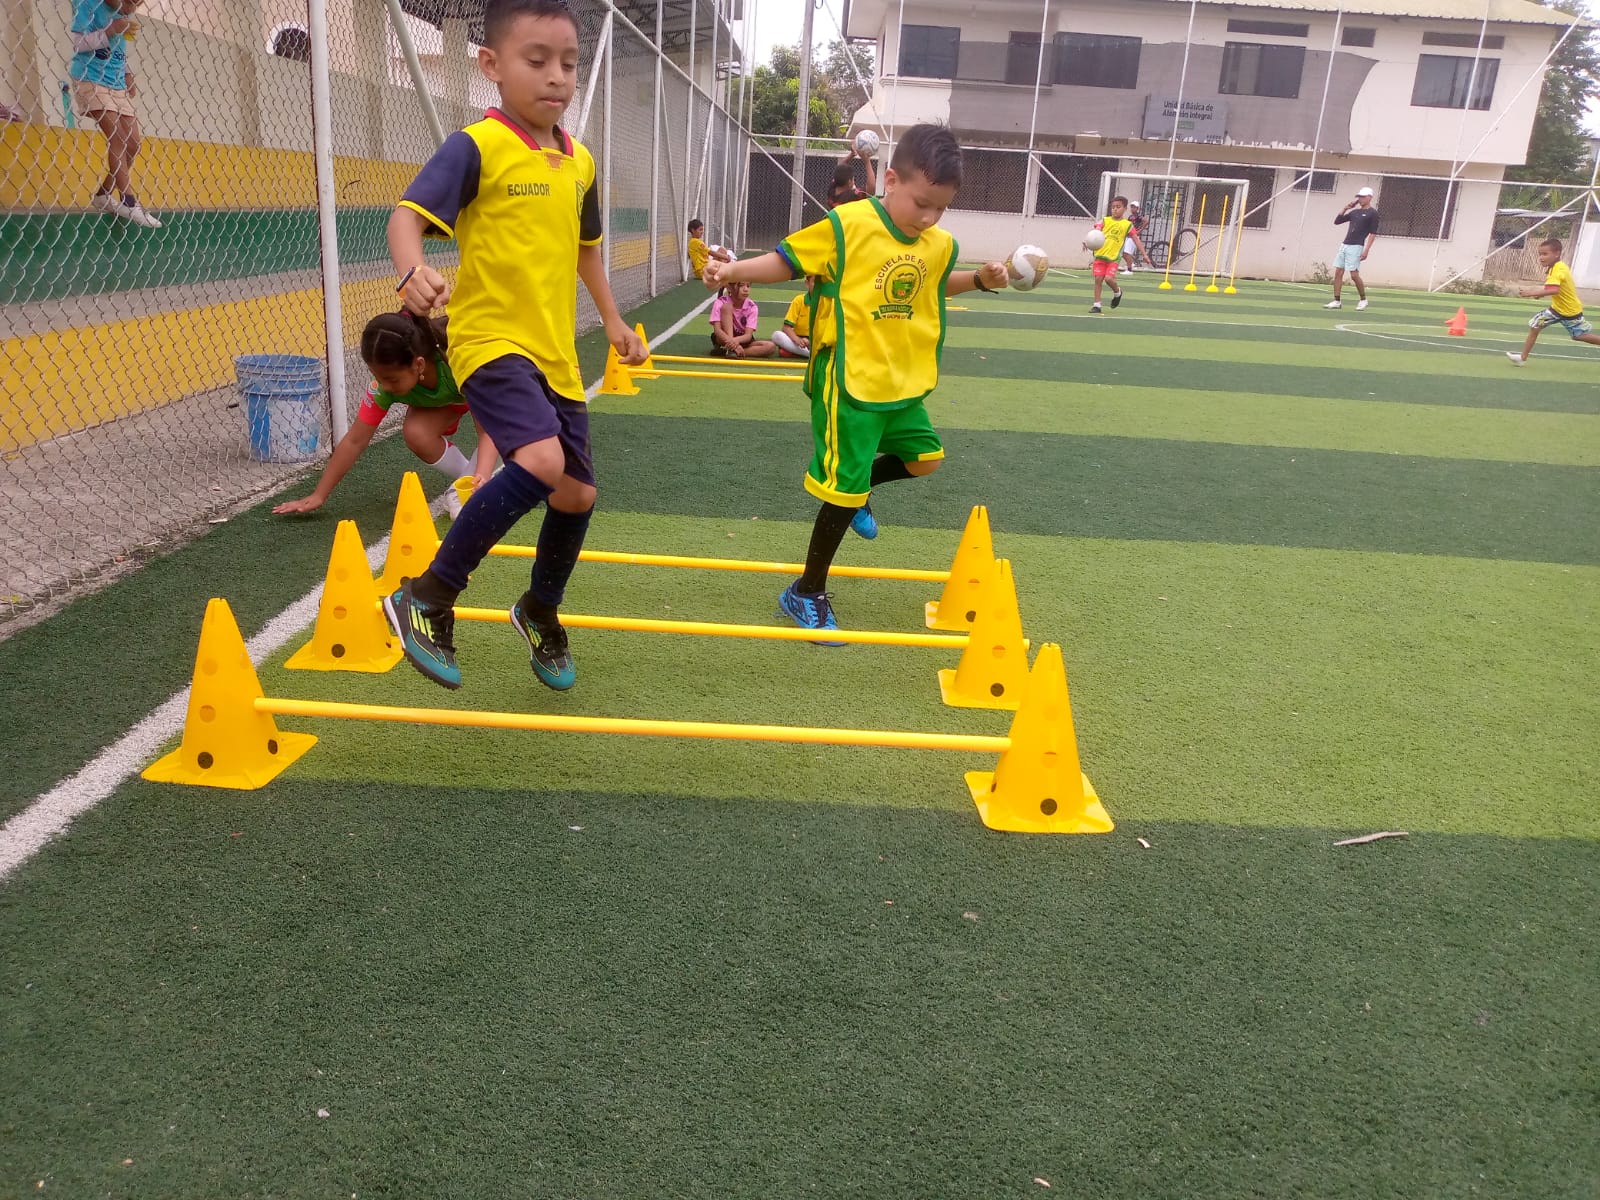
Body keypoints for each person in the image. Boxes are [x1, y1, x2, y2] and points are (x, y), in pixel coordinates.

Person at [381, 0, 646, 692]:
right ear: (491, 65)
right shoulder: (477, 146)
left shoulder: (579, 161)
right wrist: (410, 272)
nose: (557, 76)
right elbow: (405, 217)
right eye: (537, 60)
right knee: (541, 460)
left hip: (556, 352)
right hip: (489, 340)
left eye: (569, 64)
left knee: (577, 494)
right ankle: (427, 595)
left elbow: (586, 251)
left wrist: (614, 322)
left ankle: (539, 609)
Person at [704, 123, 1008, 640]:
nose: (928, 218)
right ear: (890, 180)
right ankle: (806, 591)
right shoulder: (848, 225)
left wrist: (979, 279)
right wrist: (732, 272)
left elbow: (933, 284)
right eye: (921, 203)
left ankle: (863, 490)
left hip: (899, 380)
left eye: (940, 208)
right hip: (848, 378)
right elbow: (787, 260)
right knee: (843, 489)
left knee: (925, 459)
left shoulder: (937, 243)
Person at [273, 311, 497, 518]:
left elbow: (489, 431)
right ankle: (468, 478)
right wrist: (319, 495)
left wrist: (480, 485)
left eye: (392, 379)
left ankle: (487, 476)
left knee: (503, 438)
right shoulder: (383, 388)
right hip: (455, 400)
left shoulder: (460, 362)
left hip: (498, 395)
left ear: (419, 365)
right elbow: (354, 440)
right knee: (416, 433)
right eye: (378, 377)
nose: (385, 386)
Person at [70, 0, 161, 228]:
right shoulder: (88, 5)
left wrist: (128, 73)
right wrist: (110, 30)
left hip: (117, 83)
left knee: (133, 144)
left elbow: (118, 48)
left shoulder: (123, 12)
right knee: (118, 136)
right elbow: (79, 43)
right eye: (129, 2)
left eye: (137, 4)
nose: (132, 8)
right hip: (91, 78)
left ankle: (104, 194)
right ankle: (128, 201)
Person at [1506, 237, 1600, 365]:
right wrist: (1539, 294)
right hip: (1555, 310)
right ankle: (1522, 358)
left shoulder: (1559, 269)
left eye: (1545, 254)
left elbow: (1554, 290)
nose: (1541, 257)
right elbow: (1551, 287)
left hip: (1570, 311)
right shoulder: (1554, 267)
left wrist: (1531, 293)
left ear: (1557, 254)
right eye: (1540, 254)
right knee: (1535, 326)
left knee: (1578, 336)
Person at [1087, 195, 1147, 313]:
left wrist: (1144, 254)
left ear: (1125, 209)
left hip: (1113, 258)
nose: (1115, 209)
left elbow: (1136, 239)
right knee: (1098, 279)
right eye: (1113, 207)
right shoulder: (1105, 220)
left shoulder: (1127, 224)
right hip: (1100, 255)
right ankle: (1097, 305)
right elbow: (1096, 232)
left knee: (1109, 279)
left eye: (1118, 207)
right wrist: (1088, 241)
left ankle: (1117, 292)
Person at [1325, 187, 1379, 310]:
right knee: (1338, 272)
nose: (1360, 199)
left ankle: (1363, 300)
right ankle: (1336, 301)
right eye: (1359, 197)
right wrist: (1345, 208)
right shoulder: (1354, 212)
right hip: (1345, 244)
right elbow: (1337, 221)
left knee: (1354, 275)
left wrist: (1366, 250)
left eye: (1363, 197)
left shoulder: (1373, 213)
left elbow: (1373, 233)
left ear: (1369, 197)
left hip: (1357, 246)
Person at [709, 280, 776, 358]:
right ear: (729, 288)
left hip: (742, 339)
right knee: (727, 307)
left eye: (748, 286)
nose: (746, 289)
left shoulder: (752, 307)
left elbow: (748, 336)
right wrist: (733, 344)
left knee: (770, 346)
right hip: (723, 338)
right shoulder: (720, 302)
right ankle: (732, 350)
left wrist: (736, 342)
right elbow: (717, 331)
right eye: (741, 285)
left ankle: (730, 352)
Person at [773, 277, 815, 358]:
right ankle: (809, 354)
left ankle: (800, 353)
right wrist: (798, 340)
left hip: (817, 341)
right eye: (815, 282)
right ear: (807, 283)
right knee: (777, 335)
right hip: (798, 340)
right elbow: (786, 328)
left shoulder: (827, 302)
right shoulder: (799, 300)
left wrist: (810, 342)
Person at [1121, 200, 1154, 272]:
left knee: (1127, 252)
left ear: (1137, 208)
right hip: (1128, 235)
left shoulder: (1139, 216)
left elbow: (1146, 221)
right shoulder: (1130, 216)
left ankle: (1129, 269)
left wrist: (1140, 230)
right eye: (1131, 207)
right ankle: (1131, 263)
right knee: (1123, 252)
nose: (1132, 208)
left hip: (1133, 236)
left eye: (1134, 207)